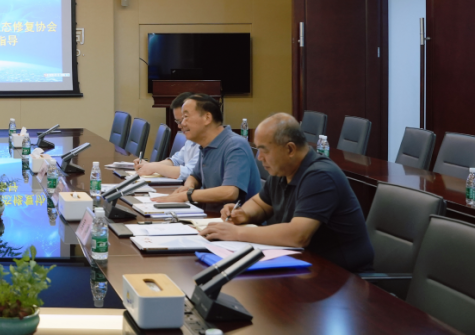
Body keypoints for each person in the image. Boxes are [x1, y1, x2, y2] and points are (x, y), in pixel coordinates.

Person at [200, 113, 375, 273]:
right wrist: (243, 213)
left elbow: (298, 235)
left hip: (343, 277)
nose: (259, 157)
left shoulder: (321, 176)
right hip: (306, 266)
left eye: (264, 150)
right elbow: (260, 204)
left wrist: (236, 233)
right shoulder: (283, 171)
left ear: (290, 149)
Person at [154, 94, 260, 205]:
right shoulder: (205, 144)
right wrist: (189, 186)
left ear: (207, 118)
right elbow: (195, 176)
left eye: (186, 117)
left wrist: (187, 195)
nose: (182, 124)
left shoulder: (235, 145)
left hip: (232, 215)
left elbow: (229, 192)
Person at [134, 91, 199, 181]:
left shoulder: (208, 142)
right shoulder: (191, 139)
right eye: (178, 121)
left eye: (184, 119)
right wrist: (149, 166)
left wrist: (155, 167)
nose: (180, 125)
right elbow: (176, 160)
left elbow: (191, 172)